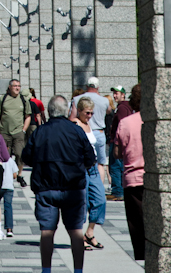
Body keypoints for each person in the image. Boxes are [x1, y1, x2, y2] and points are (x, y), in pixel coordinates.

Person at [21, 94, 94, 273]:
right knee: (76, 231)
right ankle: (78, 270)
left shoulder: (40, 131)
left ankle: (46, 270)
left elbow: (26, 157)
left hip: (46, 187)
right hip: (73, 188)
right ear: (68, 110)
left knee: (47, 232)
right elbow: (90, 158)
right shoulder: (76, 130)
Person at [114, 83, 144, 263]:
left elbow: (117, 153)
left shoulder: (126, 123)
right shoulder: (155, 120)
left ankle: (142, 258)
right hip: (154, 180)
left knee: (137, 225)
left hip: (133, 180)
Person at [74, 97, 106, 250]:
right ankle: (80, 237)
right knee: (82, 202)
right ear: (79, 110)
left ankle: (90, 232)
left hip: (92, 167)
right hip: (81, 168)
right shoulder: (75, 124)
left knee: (100, 200)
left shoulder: (88, 124)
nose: (89, 116)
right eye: (87, 112)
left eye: (92, 113)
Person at [69, 77, 111, 181]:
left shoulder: (77, 99)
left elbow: (71, 118)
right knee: (100, 164)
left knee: (84, 162)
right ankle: (99, 186)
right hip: (100, 133)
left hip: (84, 133)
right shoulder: (105, 100)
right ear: (98, 87)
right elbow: (109, 111)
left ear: (87, 86)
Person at [0, 79, 31, 185]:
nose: (17, 88)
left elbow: (28, 116)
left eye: (19, 86)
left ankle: (19, 175)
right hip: (4, 132)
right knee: (5, 155)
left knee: (20, 154)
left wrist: (24, 129)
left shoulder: (23, 100)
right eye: (15, 86)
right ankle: (6, 175)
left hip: (18, 132)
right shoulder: (3, 99)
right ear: (10, 87)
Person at [108, 85, 132, 201]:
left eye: (117, 93)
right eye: (114, 93)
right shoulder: (124, 107)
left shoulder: (122, 108)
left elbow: (122, 125)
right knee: (119, 166)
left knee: (115, 166)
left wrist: (117, 139)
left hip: (118, 141)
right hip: (121, 140)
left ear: (123, 94)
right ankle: (119, 190)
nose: (114, 95)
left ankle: (117, 191)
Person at [0, 154, 19, 238]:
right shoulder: (11, 160)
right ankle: (9, 229)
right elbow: (15, 175)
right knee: (8, 207)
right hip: (9, 187)